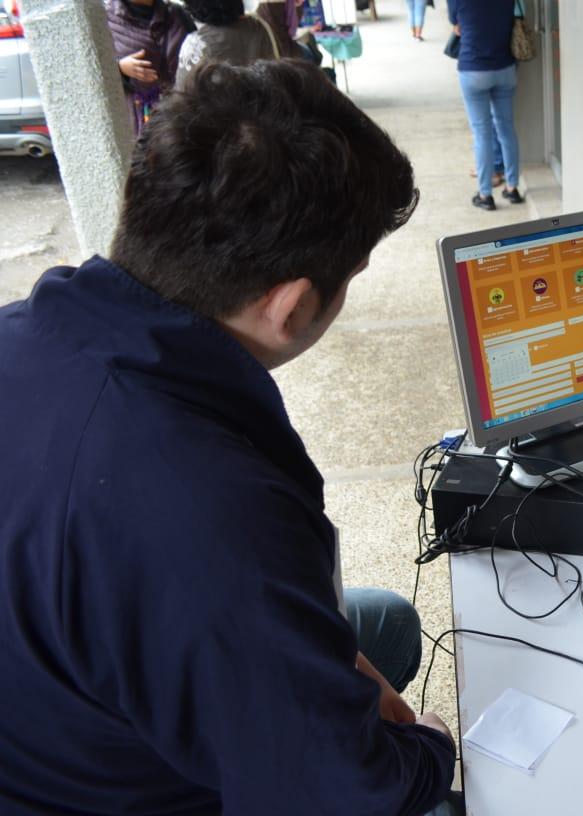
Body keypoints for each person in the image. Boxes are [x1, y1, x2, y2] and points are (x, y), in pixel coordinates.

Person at [0, 60, 459, 815]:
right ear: (292, 307)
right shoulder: (209, 508)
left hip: (56, 704)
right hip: (117, 788)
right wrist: (430, 750)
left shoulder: (31, 331)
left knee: (386, 623)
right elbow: (346, 792)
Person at [447, 0, 524, 210]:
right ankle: (512, 188)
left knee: (482, 133)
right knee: (507, 129)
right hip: (504, 69)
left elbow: (457, 27)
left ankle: (485, 194)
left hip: (473, 69)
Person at [106, 0, 194, 135]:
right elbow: (93, 72)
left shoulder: (176, 13)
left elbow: (199, 49)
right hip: (140, 117)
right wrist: (120, 68)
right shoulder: (106, 18)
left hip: (184, 108)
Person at [177, 0, 282, 88]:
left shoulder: (197, 44)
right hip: (265, 108)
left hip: (220, 111)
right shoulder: (259, 27)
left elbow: (182, 99)